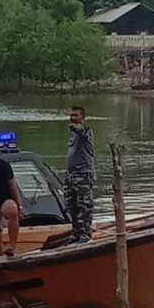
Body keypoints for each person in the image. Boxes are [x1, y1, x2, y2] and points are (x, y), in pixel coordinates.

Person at [64, 105, 95, 244]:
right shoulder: (73, 135)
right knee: (71, 206)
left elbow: (81, 129)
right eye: (72, 115)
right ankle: (76, 232)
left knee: (84, 205)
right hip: (71, 174)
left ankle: (86, 233)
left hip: (83, 174)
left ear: (83, 118)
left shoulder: (85, 131)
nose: (73, 117)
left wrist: (76, 126)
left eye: (76, 115)